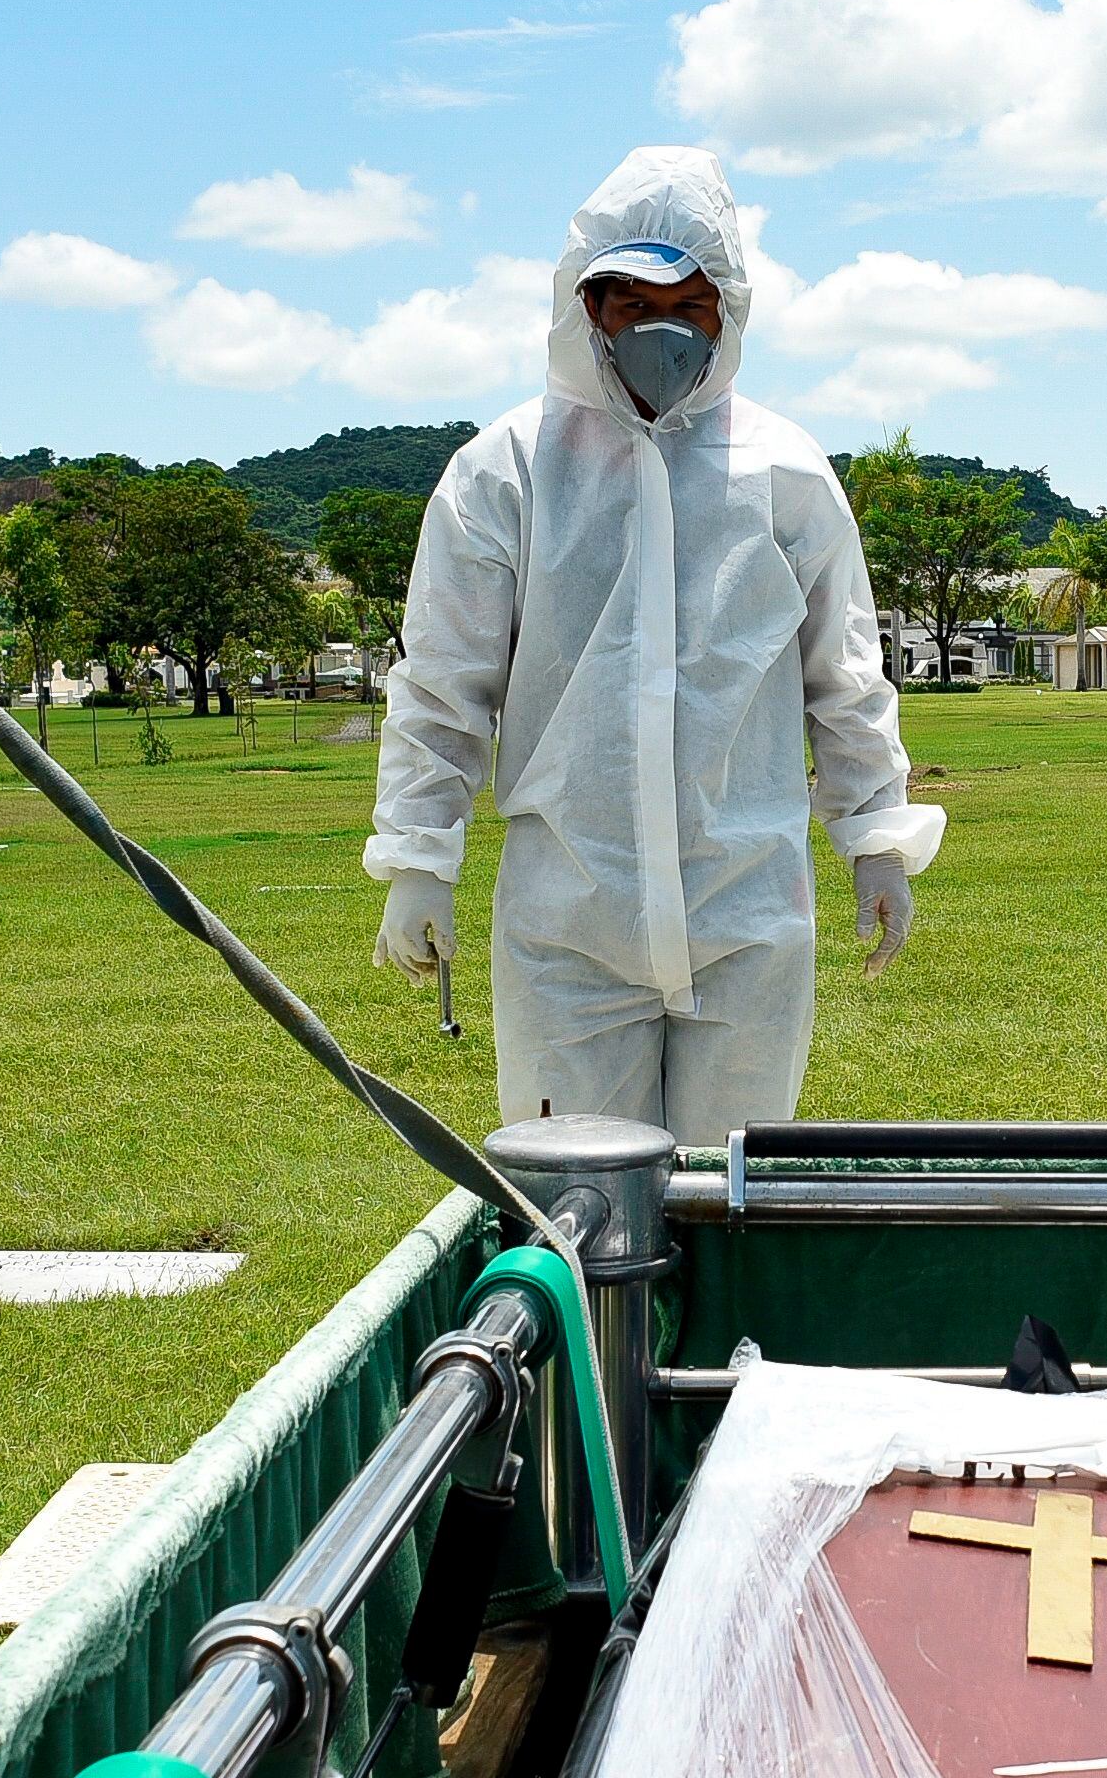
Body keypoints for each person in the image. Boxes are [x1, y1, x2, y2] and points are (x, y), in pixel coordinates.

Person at [364, 148, 941, 1141]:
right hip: (568, 930)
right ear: (582, 307)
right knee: (582, 1213)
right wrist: (421, 852)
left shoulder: (786, 474)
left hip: (746, 920)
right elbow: (444, 683)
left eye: (689, 301)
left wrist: (875, 836)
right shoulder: (504, 473)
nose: (658, 328)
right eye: (628, 301)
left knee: (730, 1210)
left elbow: (844, 679)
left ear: (730, 309)